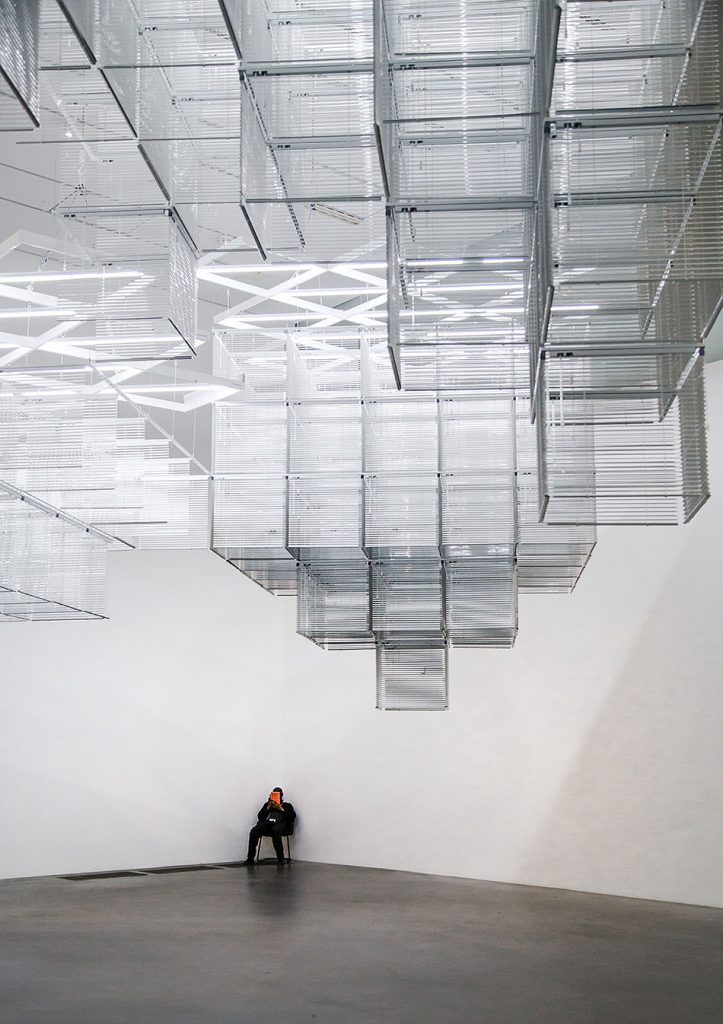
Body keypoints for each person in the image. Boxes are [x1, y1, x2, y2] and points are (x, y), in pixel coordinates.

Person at [242, 787, 296, 865]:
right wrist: (268, 807)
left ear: (281, 795)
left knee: (275, 830)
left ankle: (280, 859)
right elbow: (260, 816)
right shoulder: (267, 805)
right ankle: (250, 858)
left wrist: (280, 808)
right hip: (267, 826)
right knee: (254, 831)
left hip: (281, 826)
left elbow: (291, 817)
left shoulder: (287, 806)